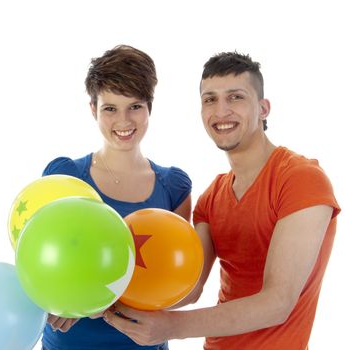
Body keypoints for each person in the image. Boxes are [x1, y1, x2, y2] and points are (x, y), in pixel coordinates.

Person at [102, 51, 341, 350]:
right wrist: (93, 300)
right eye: (210, 99)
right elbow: (187, 287)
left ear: (263, 108)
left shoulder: (301, 179)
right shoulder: (211, 197)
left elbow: (278, 302)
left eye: (235, 97)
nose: (221, 111)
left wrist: (171, 327)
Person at [40, 44, 192, 350]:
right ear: (93, 109)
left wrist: (103, 303)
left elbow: (177, 283)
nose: (123, 121)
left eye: (134, 106)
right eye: (110, 108)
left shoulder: (174, 187)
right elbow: (39, 260)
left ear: (150, 108)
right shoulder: (65, 177)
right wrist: (61, 298)